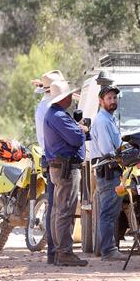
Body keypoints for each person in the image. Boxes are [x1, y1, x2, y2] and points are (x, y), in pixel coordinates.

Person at [44, 80, 89, 267]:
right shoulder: (59, 116)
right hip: (67, 168)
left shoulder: (53, 114)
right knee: (64, 210)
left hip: (59, 166)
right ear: (63, 98)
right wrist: (82, 130)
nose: (71, 98)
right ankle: (64, 252)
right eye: (69, 95)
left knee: (58, 210)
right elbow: (76, 138)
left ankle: (58, 251)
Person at [91, 85, 127, 261]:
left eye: (114, 98)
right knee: (107, 212)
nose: (113, 101)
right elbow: (108, 150)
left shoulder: (109, 119)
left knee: (112, 211)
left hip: (113, 170)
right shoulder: (103, 121)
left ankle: (110, 248)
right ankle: (108, 250)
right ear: (101, 101)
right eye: (109, 98)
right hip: (108, 170)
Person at [33, 69, 65, 264]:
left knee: (55, 204)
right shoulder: (50, 109)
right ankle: (55, 251)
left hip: (49, 156)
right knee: (57, 205)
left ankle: (54, 251)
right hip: (56, 158)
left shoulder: (43, 107)